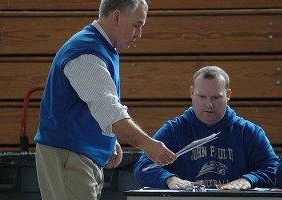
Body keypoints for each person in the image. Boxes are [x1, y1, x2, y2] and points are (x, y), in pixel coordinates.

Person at [34, 0, 176, 199]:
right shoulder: (86, 52)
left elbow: (97, 108)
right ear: (116, 16)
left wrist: (108, 139)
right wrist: (148, 144)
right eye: (136, 25)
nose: (139, 34)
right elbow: (109, 111)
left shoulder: (101, 47)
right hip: (69, 155)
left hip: (78, 155)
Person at [134, 66, 279, 190]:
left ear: (228, 95)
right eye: (202, 97)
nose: (209, 104)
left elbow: (273, 170)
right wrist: (170, 179)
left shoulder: (249, 132)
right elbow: (144, 168)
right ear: (192, 93)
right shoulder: (174, 130)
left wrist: (248, 180)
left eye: (216, 97)